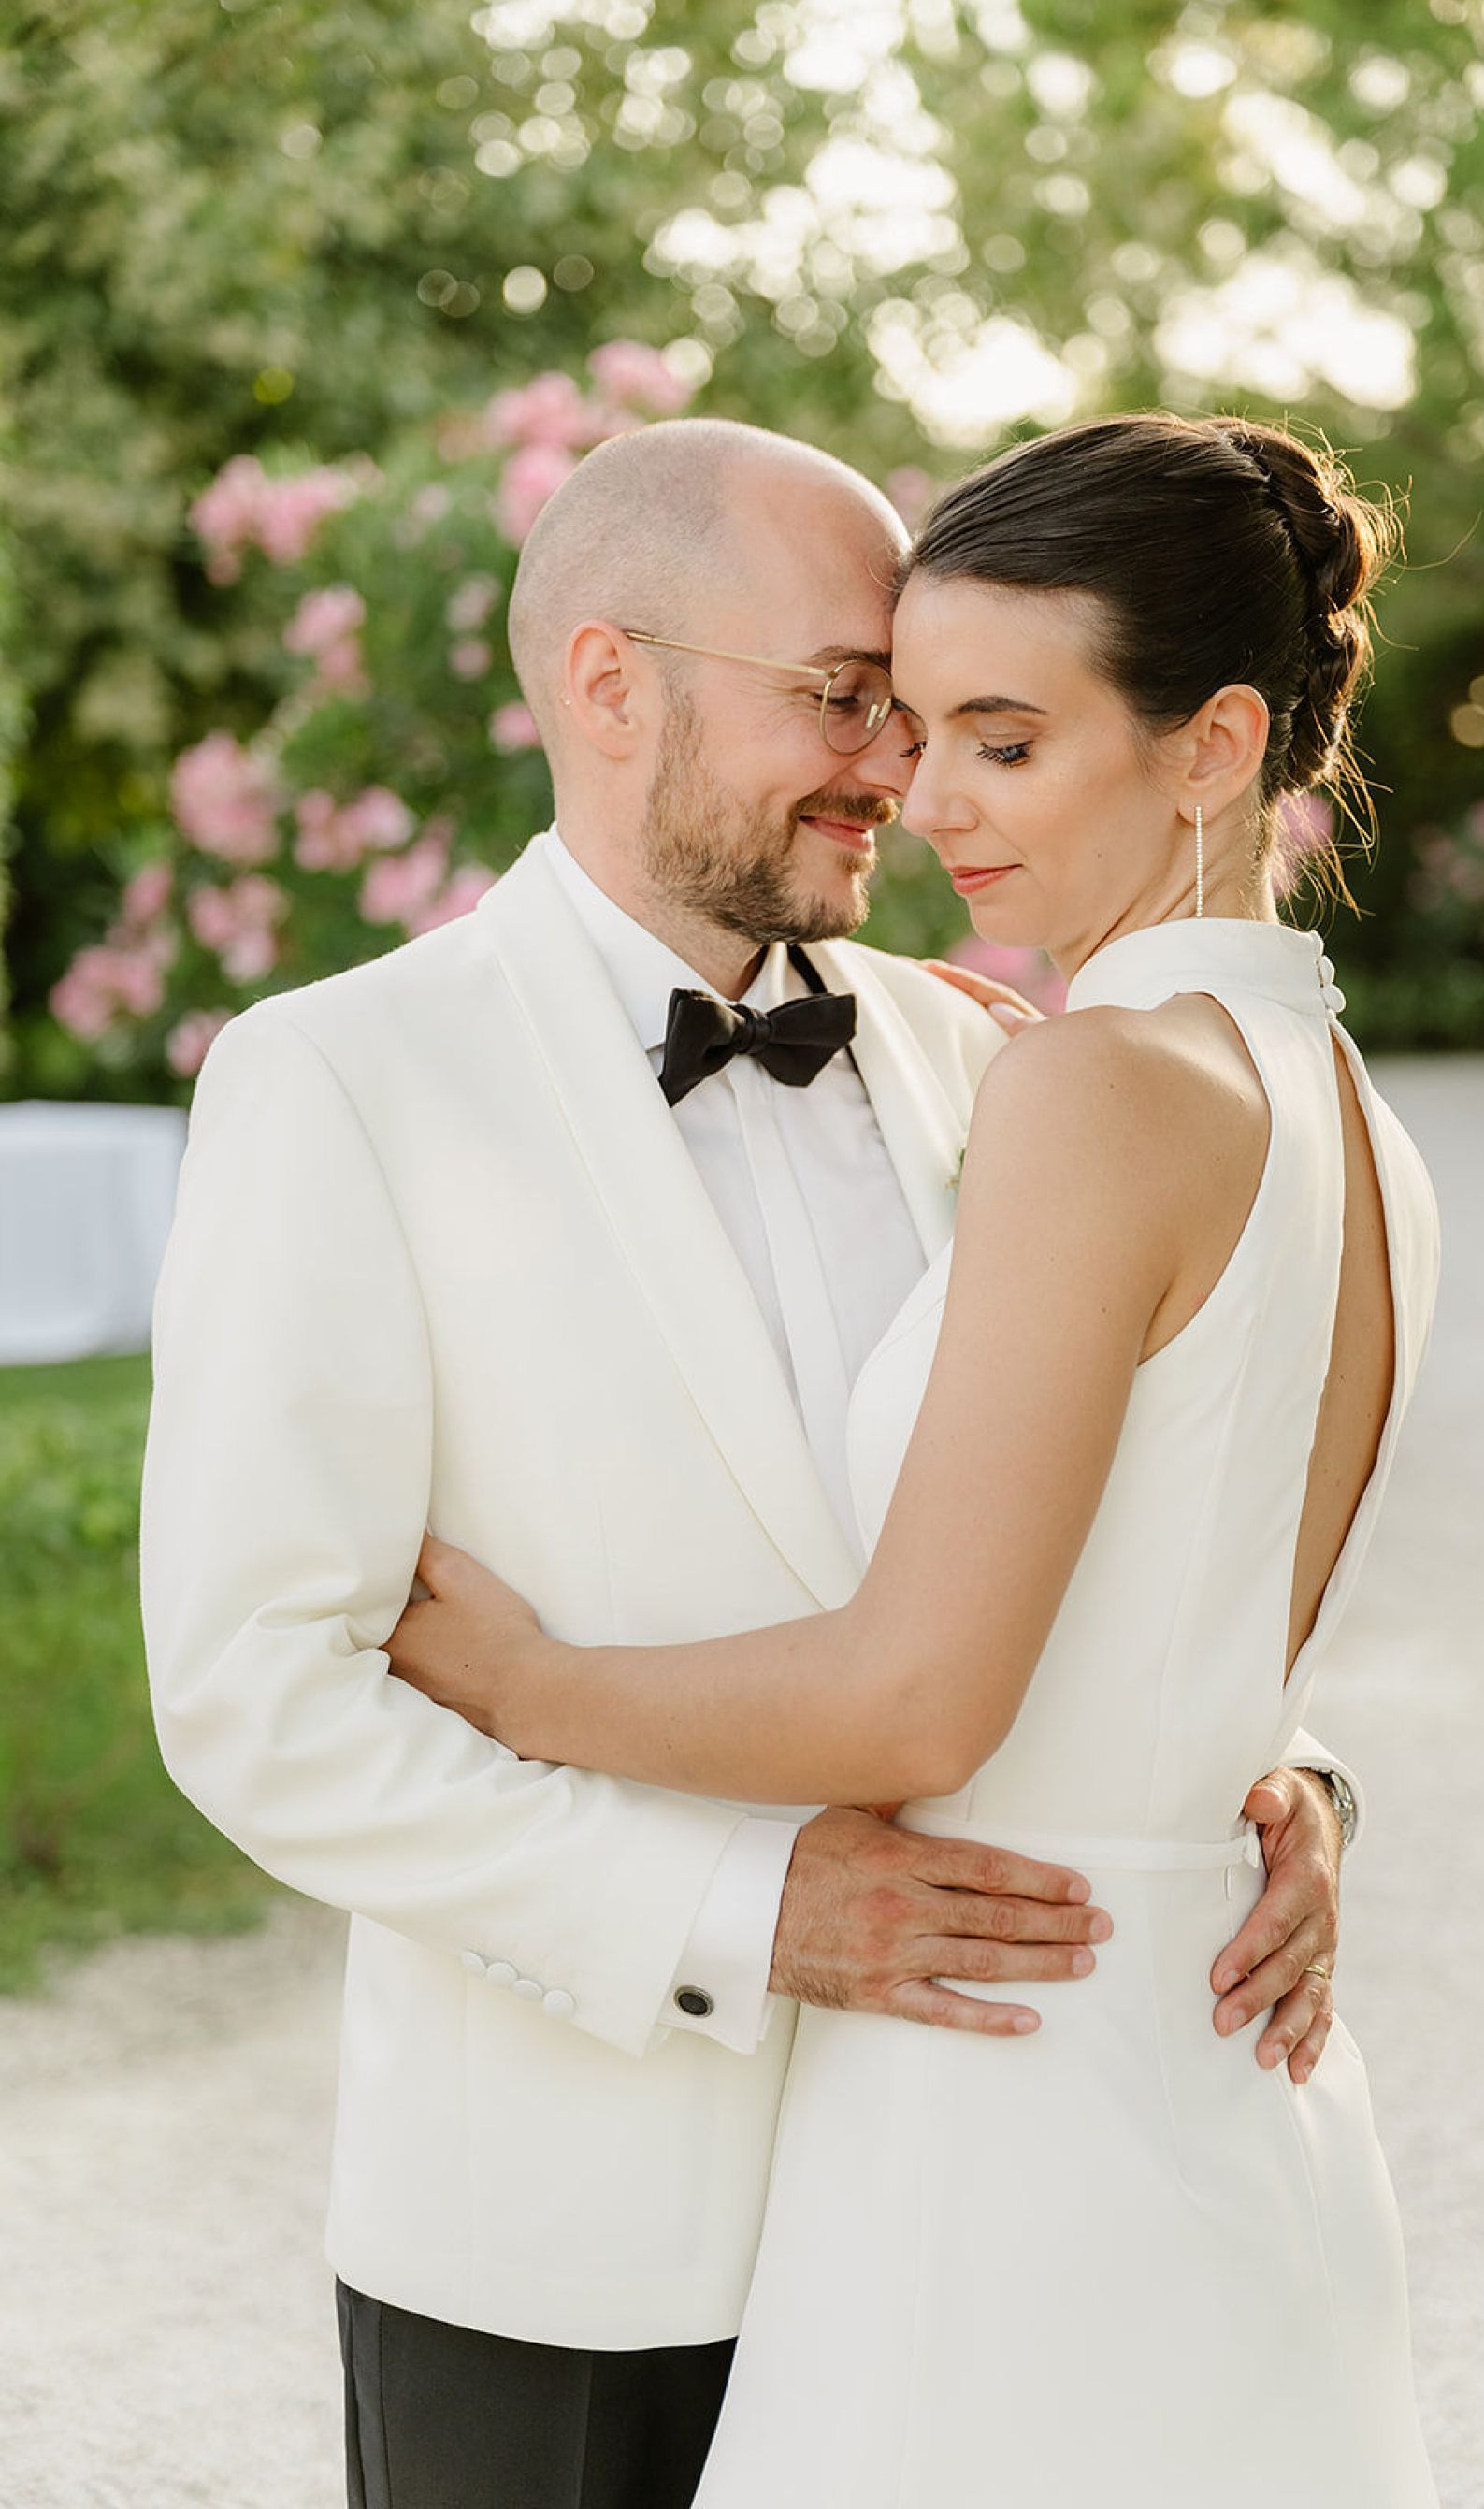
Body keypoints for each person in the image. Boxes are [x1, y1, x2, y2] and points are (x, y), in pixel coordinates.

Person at [142, 417, 1362, 2509]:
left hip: (971, 2209)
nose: (900, 766)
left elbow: (1122, 1516)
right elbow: (258, 1698)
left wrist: (1283, 1787)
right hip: (569, 2232)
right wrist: (734, 1909)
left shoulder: (997, 1058)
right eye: (844, 696)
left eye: (928, 710)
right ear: (611, 682)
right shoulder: (338, 1080)